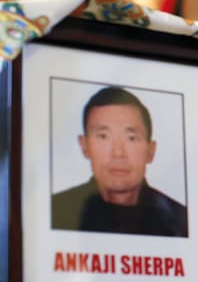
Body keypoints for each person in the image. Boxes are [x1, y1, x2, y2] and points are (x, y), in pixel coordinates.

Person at [51, 86, 188, 237]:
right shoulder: (54, 211)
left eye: (131, 138)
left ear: (150, 151)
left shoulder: (181, 221)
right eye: (103, 136)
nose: (118, 153)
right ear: (84, 146)